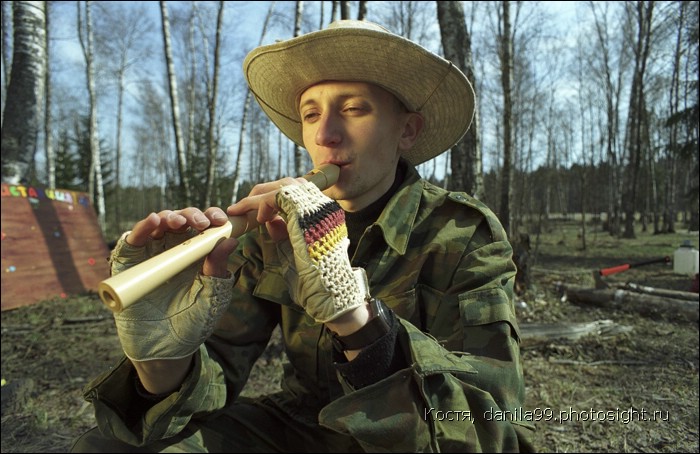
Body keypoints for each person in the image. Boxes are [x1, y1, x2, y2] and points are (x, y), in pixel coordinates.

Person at [72, 20, 534, 452]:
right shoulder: (275, 228)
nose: (326, 135)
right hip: (304, 427)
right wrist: (163, 360)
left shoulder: (460, 231)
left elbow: (489, 426)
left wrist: (361, 323)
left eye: (353, 109)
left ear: (406, 130)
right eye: (310, 115)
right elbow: (215, 381)